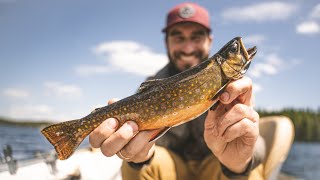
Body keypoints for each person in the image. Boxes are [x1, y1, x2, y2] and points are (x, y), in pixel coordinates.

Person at [89, 2, 266, 179]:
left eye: (196, 37)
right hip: (169, 168)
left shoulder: (236, 87)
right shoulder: (150, 86)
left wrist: (239, 163)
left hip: (218, 165)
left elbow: (258, 144)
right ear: (167, 43)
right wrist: (140, 157)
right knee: (132, 167)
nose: (188, 48)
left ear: (209, 41)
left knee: (251, 173)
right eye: (179, 38)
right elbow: (144, 145)